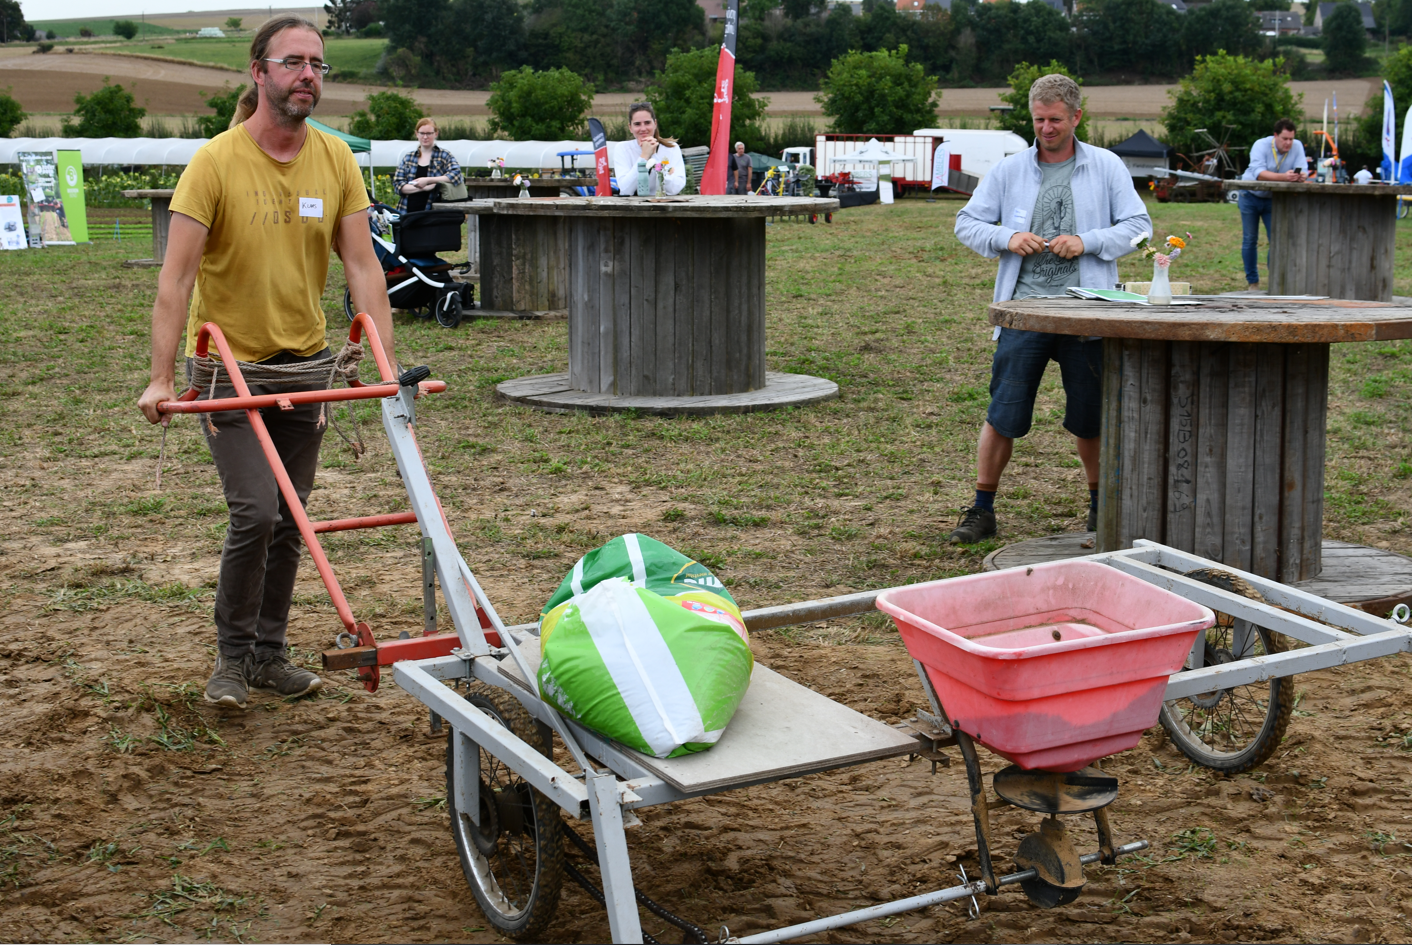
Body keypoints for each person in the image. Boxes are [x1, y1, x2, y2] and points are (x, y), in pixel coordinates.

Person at [136, 14, 396, 710]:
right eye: (293, 62)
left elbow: (363, 267)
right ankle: (230, 658)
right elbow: (176, 280)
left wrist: (384, 366)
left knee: (293, 517)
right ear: (259, 73)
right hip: (229, 371)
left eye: (318, 63)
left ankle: (268, 655)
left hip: (305, 366)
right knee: (255, 510)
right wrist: (162, 378)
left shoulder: (335, 160)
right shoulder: (216, 162)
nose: (308, 73)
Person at [951, 74, 1151, 544]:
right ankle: (982, 509)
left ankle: (1101, 508)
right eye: (1039, 119)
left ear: (1077, 117)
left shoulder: (1106, 166)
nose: (1046, 128)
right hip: (1024, 311)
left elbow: (1138, 225)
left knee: (1091, 416)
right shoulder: (1009, 170)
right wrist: (1006, 237)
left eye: (1056, 119)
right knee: (1004, 412)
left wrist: (1088, 241)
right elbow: (967, 223)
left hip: (1089, 314)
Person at [1238, 118, 1306, 291]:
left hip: (1273, 198)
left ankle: (1274, 281)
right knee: (1250, 239)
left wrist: (1301, 176)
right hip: (1250, 195)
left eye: (1291, 139)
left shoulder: (1297, 146)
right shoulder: (1260, 145)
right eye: (1284, 139)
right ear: (1275, 136)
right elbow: (1259, 173)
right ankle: (1252, 282)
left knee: (1276, 240)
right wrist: (1285, 177)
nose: (1288, 143)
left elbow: (1303, 169)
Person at [613, 102, 686, 196]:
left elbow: (675, 188)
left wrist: (655, 159)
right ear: (630, 127)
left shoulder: (672, 148)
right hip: (633, 207)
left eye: (647, 123)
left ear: (655, 124)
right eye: (637, 124)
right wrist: (644, 156)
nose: (643, 128)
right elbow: (626, 190)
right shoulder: (622, 149)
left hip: (665, 206)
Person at [392, 117, 463, 214]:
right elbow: (398, 185)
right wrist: (424, 188)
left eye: (429, 133)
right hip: (406, 211)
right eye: (422, 133)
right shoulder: (408, 157)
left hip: (433, 213)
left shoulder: (444, 155)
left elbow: (456, 174)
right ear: (416, 134)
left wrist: (428, 180)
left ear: (436, 134)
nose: (425, 137)